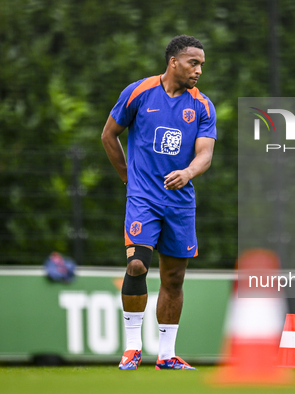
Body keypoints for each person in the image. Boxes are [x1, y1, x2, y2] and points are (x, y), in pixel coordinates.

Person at [101, 35, 216, 370]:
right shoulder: (138, 92)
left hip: (180, 203)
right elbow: (109, 134)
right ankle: (133, 348)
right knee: (137, 264)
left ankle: (167, 355)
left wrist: (188, 172)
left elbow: (205, 154)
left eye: (201, 65)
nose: (198, 70)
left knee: (174, 279)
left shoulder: (202, 106)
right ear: (174, 62)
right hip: (143, 198)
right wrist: (127, 177)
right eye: (193, 63)